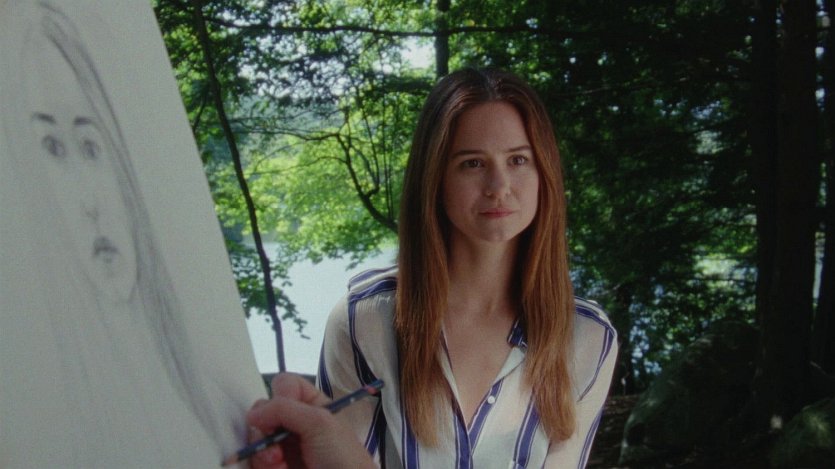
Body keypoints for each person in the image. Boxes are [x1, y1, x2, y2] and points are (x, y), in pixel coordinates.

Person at [249, 68, 618, 468]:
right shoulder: (365, 321)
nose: (499, 186)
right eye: (472, 163)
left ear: (544, 172)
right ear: (435, 178)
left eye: (518, 160)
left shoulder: (588, 337)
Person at [0, 2, 251, 466]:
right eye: (52, 148)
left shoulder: (226, 408)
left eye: (90, 145)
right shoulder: (40, 425)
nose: (91, 201)